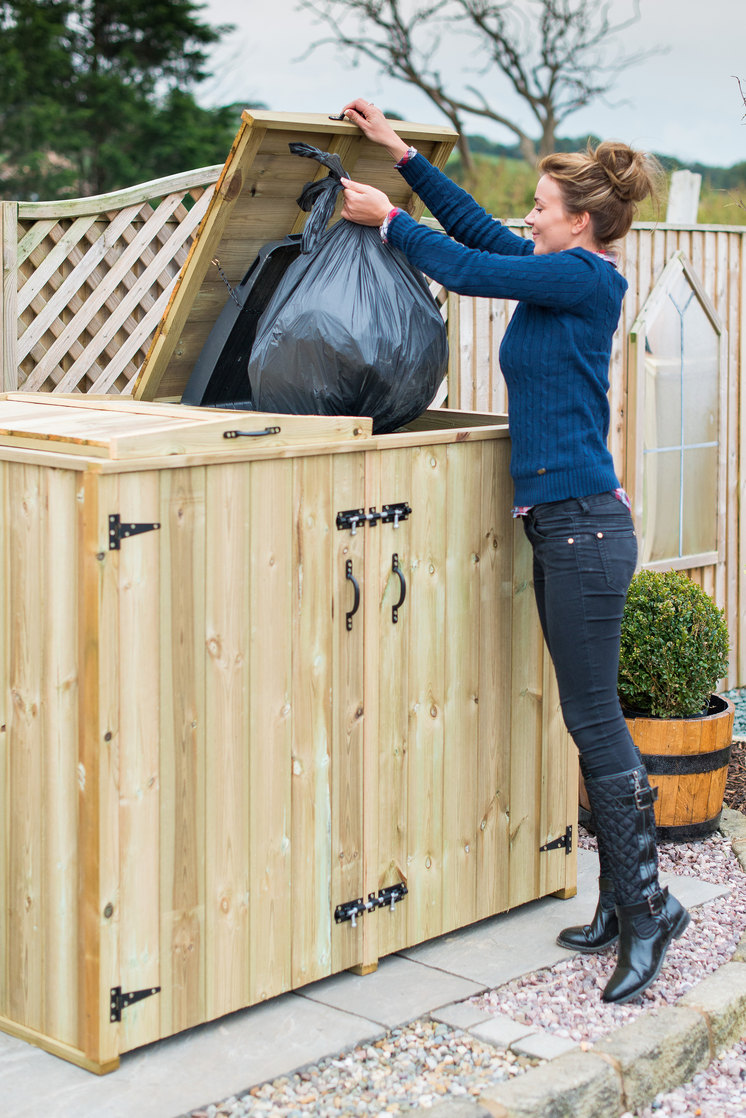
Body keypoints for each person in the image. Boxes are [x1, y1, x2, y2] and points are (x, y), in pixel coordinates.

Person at [338, 97, 690, 1005]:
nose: (526, 216)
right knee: (595, 717)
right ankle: (627, 901)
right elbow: (477, 236)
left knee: (594, 723)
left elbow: (459, 264)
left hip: (581, 530)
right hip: (569, 524)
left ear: (580, 223)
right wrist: (402, 156)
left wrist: (388, 225)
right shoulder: (558, 265)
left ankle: (649, 916)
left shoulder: (585, 279)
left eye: (539, 206)